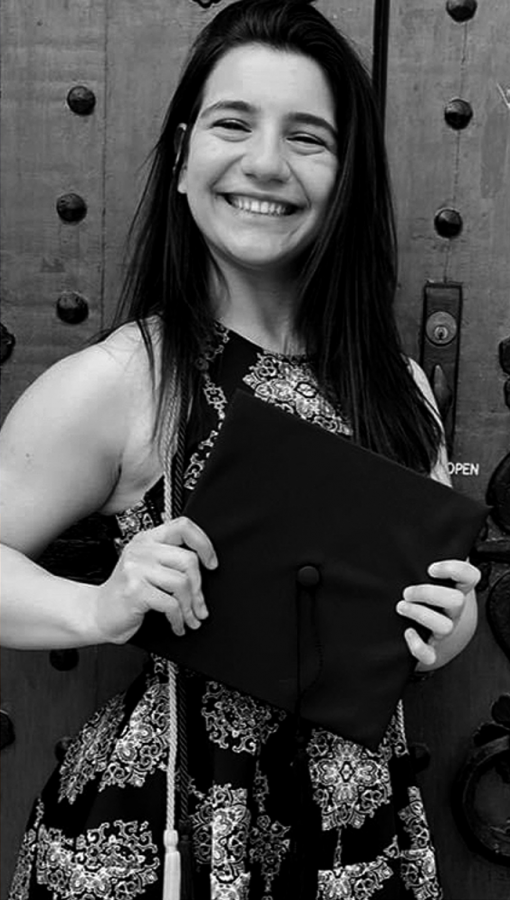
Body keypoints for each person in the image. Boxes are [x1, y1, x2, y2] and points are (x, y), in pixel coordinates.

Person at [1, 1, 480, 898]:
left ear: (346, 178)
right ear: (184, 157)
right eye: (233, 124)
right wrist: (97, 609)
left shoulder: (401, 388)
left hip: (356, 839)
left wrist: (447, 633)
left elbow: (412, 611)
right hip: (169, 832)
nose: (265, 162)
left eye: (308, 137)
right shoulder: (126, 379)